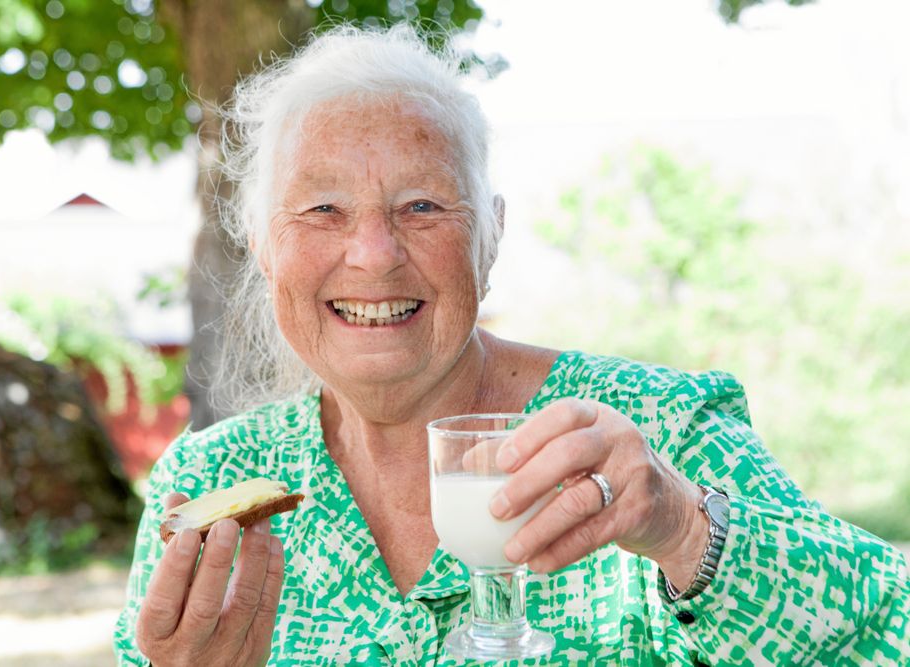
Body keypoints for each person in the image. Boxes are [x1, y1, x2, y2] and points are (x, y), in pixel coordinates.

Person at [114, 24, 909, 666]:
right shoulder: (208, 485)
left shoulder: (660, 429)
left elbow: (891, 628)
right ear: (262, 245)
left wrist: (686, 530)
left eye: (423, 206)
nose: (375, 254)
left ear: (490, 236)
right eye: (323, 209)